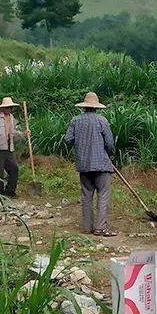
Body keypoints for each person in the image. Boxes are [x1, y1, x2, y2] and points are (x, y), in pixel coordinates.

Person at [65, 92, 117, 237]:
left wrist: (79, 145)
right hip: (101, 165)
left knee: (86, 196)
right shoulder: (102, 121)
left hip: (84, 165)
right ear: (96, 107)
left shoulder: (75, 121)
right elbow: (110, 143)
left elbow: (68, 140)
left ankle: (87, 227)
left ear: (84, 107)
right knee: (103, 195)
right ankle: (100, 228)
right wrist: (110, 154)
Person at [0, 97, 28, 197]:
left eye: (10, 107)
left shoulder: (12, 118)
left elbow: (13, 133)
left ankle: (10, 191)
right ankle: (0, 193)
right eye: (7, 107)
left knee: (14, 169)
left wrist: (24, 134)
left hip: (9, 148)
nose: (8, 109)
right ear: (3, 108)